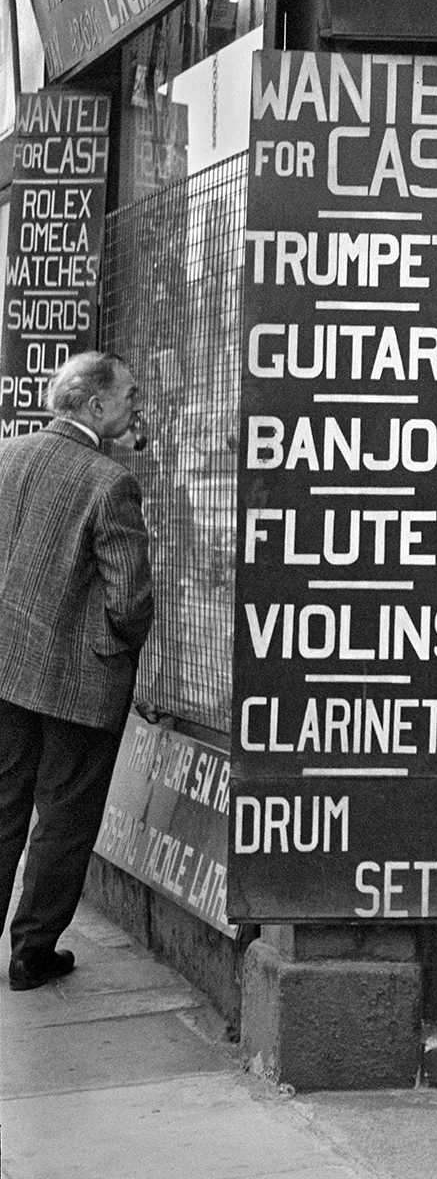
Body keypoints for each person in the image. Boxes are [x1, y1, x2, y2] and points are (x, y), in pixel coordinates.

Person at [0, 351, 151, 992]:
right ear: (95, 406)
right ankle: (34, 952)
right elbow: (130, 598)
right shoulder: (108, 481)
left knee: (5, 803)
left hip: (7, 668)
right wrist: (120, 644)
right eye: (129, 397)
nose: (136, 408)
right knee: (66, 814)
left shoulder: (8, 455)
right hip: (81, 682)